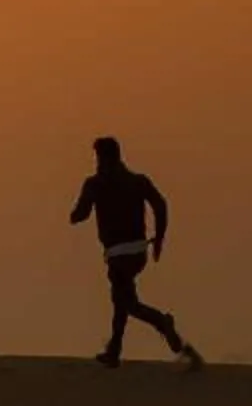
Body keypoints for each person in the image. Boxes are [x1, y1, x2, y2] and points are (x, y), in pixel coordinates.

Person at [70, 135, 203, 370]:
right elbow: (161, 205)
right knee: (121, 299)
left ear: (102, 158)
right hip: (139, 252)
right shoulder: (138, 181)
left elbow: (79, 215)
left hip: (117, 253)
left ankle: (162, 323)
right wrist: (159, 238)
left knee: (127, 303)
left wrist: (76, 214)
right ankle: (114, 351)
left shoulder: (95, 184)